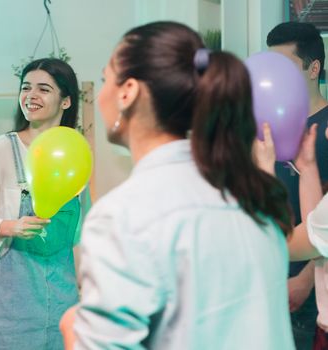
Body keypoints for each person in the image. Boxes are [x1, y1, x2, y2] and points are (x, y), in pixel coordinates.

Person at [60, 21, 294, 349]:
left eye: (104, 79)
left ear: (127, 92)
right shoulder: (251, 194)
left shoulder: (124, 216)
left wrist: (73, 329)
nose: (100, 95)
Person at [0, 58, 88, 349]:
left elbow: (82, 229)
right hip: (8, 310)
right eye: (26, 87)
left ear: (66, 101)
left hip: (61, 301)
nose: (31, 95)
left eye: (44, 89)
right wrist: (10, 226)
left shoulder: (75, 154)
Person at [267, 21, 328, 349]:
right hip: (269, 281)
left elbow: (324, 224)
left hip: (312, 293)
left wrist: (305, 280)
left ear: (312, 67)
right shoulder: (267, 124)